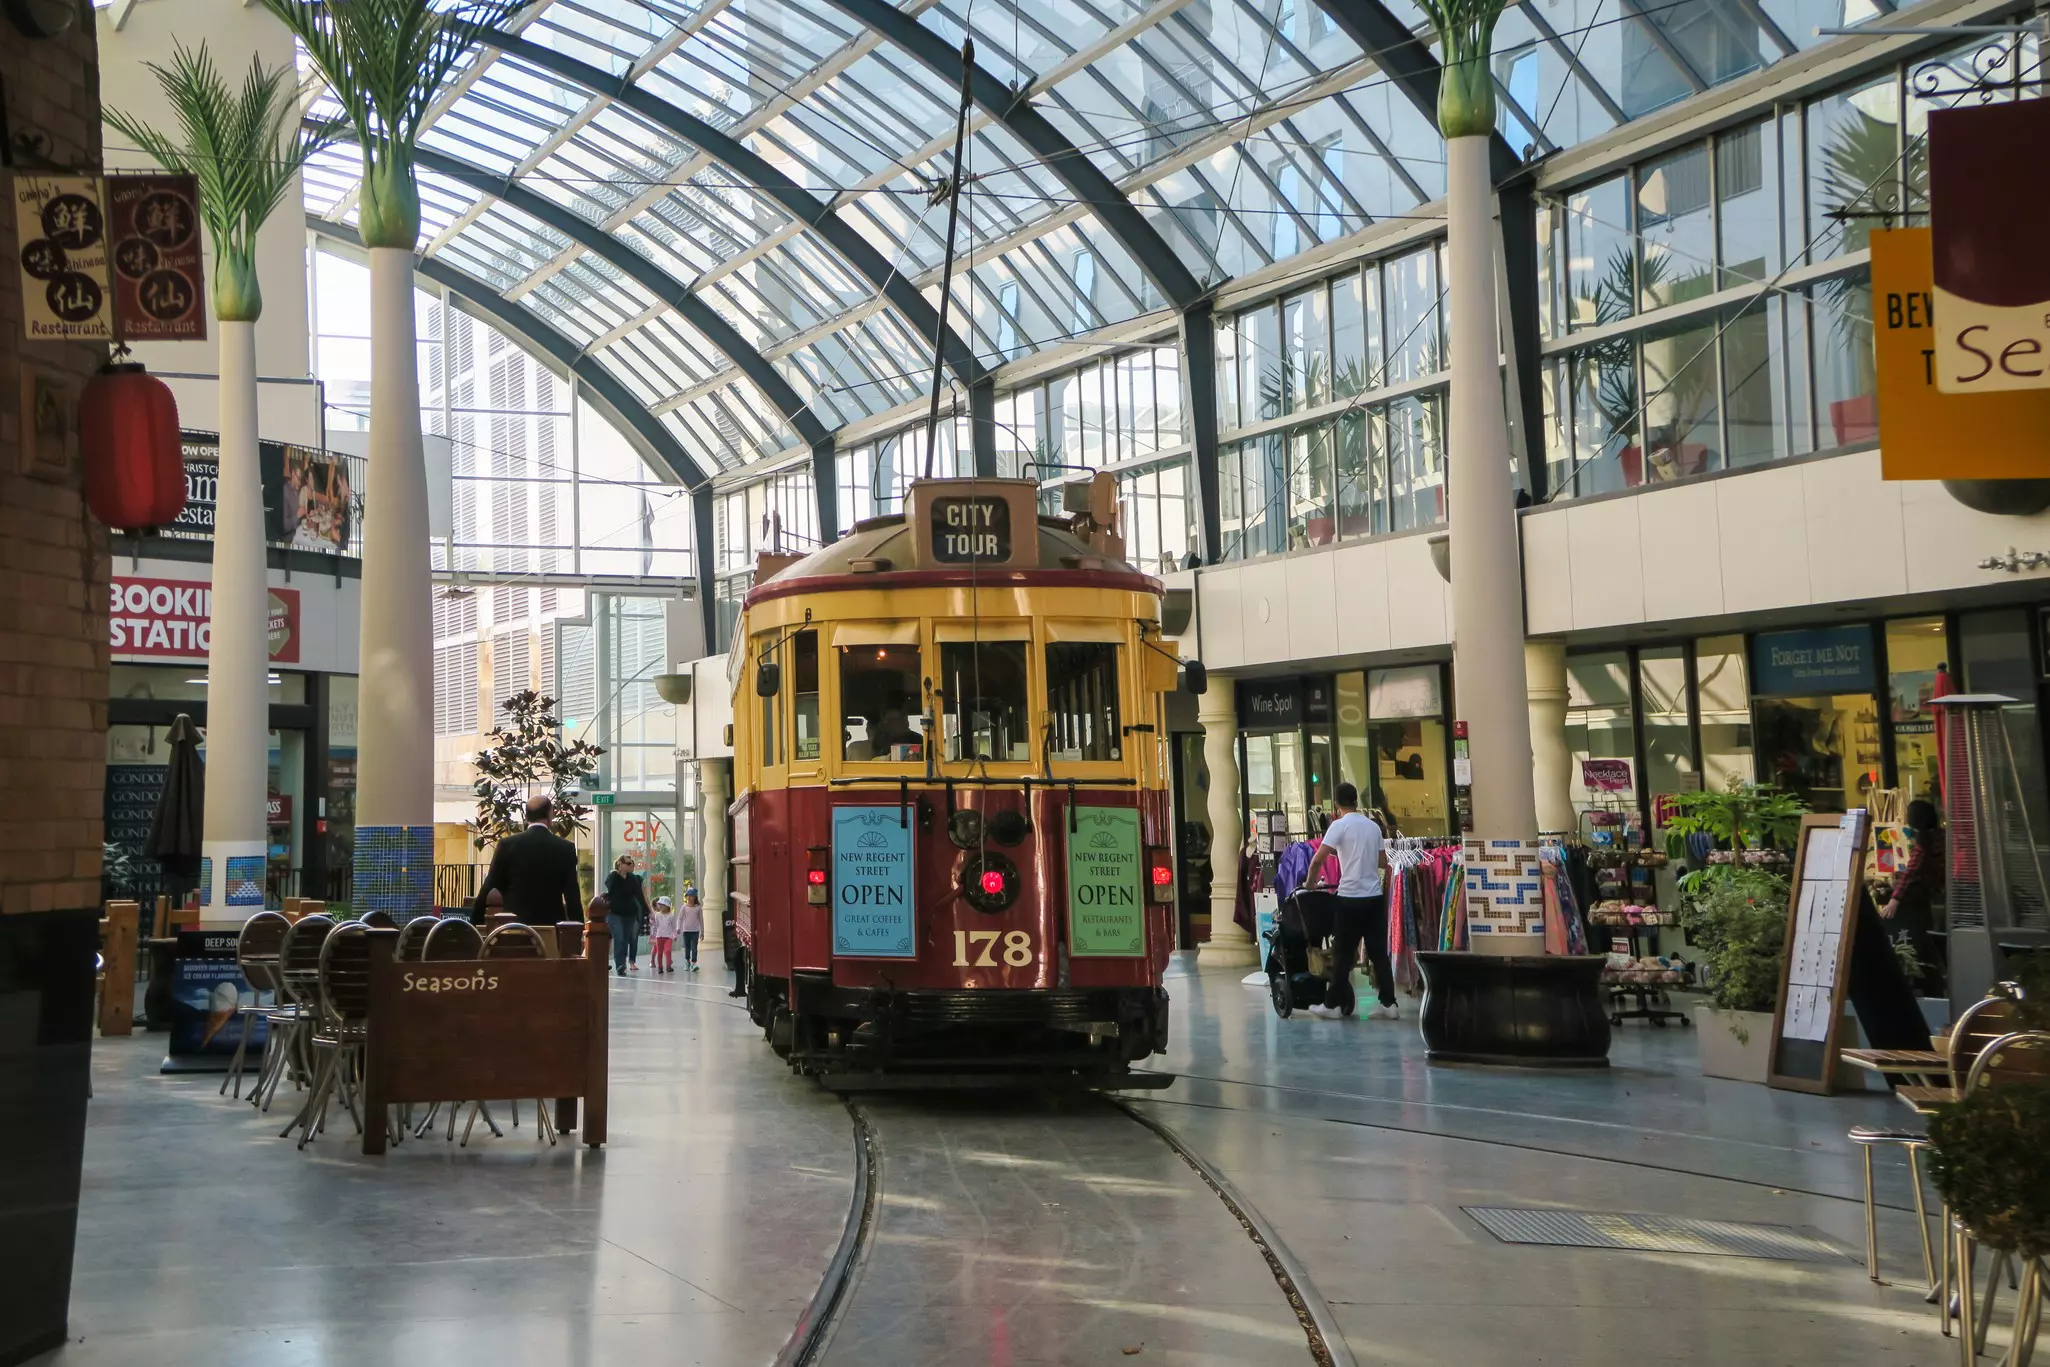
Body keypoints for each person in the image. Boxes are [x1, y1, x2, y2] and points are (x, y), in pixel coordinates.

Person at [1305, 782, 1397, 1020]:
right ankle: (1389, 1004)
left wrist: (1310, 884)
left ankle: (1333, 1005)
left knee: (1343, 954)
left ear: (1336, 804)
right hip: (1373, 898)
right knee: (1378, 953)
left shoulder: (1338, 826)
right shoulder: (1373, 827)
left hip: (1349, 898)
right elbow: (1381, 862)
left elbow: (1317, 860)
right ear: (1356, 801)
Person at [474, 796, 583, 926]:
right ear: (550, 815)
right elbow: (572, 896)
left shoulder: (508, 845)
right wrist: (578, 929)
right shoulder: (565, 848)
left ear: (526, 817)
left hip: (514, 927)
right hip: (550, 929)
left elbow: (489, 885)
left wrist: (474, 921)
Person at [1882, 798, 1946, 995]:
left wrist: (1894, 900)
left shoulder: (1925, 842)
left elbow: (1911, 873)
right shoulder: (1942, 836)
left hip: (1933, 900)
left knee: (1928, 943)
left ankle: (1929, 983)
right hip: (1945, 895)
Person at [603, 856, 647, 976]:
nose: (631, 866)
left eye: (632, 864)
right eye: (628, 863)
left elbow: (639, 895)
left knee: (625, 939)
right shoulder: (613, 877)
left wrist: (647, 910)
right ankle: (620, 965)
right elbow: (609, 886)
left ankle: (622, 964)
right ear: (620, 864)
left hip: (629, 914)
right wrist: (618, 874)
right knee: (619, 937)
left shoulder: (632, 878)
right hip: (614, 913)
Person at [648, 895, 679, 974]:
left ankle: (668, 966)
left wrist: (675, 935)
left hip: (668, 937)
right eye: (659, 904)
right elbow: (655, 926)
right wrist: (653, 936)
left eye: (662, 905)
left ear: (667, 906)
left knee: (668, 951)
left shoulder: (671, 915)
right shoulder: (657, 915)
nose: (660, 906)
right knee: (659, 953)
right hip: (659, 937)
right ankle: (660, 967)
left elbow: (673, 927)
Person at [680, 888, 705, 971]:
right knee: (687, 947)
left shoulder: (698, 908)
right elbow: (680, 918)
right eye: (688, 896)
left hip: (695, 931)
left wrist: (702, 932)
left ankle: (694, 963)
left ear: (695, 897)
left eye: (691, 896)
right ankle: (687, 962)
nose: (689, 898)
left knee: (694, 948)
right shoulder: (684, 907)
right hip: (686, 931)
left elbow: (701, 920)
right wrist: (678, 927)